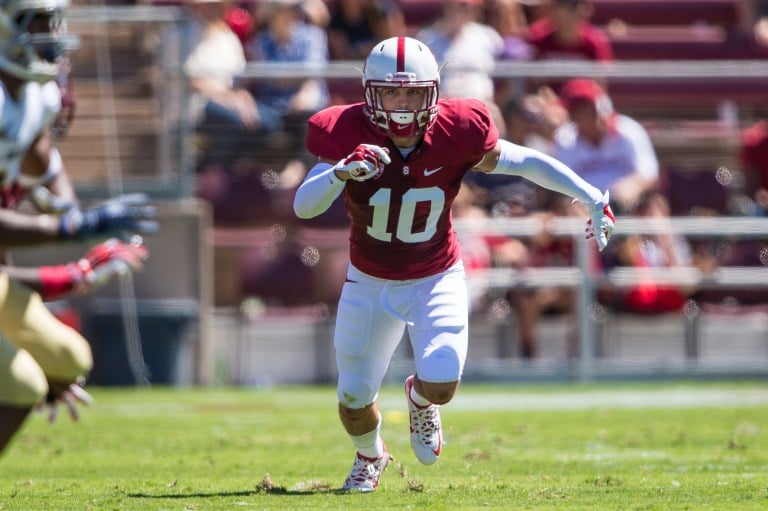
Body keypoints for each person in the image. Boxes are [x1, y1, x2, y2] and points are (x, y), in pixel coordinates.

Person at [292, 35, 615, 491]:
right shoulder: (345, 131)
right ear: (370, 93)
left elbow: (520, 161)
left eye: (412, 92)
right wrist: (341, 171)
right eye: (391, 91)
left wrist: (588, 194)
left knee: (442, 377)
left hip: (434, 275)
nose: (402, 104)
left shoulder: (456, 128)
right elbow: (304, 206)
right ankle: (370, 455)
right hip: (369, 281)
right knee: (352, 396)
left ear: (433, 92)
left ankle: (421, 401)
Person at [0, 0, 157, 455]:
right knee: (22, 382)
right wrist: (73, 247)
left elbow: (47, 171)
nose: (52, 34)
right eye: (38, 23)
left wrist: (77, 220)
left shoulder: (33, 97)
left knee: (67, 360)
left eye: (54, 22)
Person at [553, 78, 659, 214]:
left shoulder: (628, 129)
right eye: (572, 110)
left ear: (598, 108)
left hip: (628, 206)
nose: (574, 116)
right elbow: (561, 186)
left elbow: (649, 174)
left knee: (654, 208)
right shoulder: (565, 138)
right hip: (583, 208)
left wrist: (631, 187)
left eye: (580, 109)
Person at [326, 0, 406, 61]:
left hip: (381, 67)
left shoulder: (379, 12)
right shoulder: (336, 20)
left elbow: (391, 46)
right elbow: (342, 56)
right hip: (353, 73)